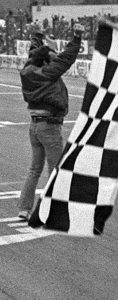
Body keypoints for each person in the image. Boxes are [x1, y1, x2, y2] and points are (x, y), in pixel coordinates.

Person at [16, 24, 83, 220]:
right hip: (49, 125)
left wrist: (37, 35)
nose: (55, 56)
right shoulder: (47, 73)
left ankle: (24, 208)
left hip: (34, 126)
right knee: (56, 170)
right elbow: (66, 59)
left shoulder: (28, 70)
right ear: (46, 61)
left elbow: (33, 52)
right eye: (52, 55)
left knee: (34, 169)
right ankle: (53, 210)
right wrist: (77, 38)